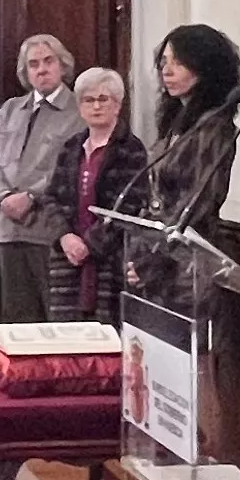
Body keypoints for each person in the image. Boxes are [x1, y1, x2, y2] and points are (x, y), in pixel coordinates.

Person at [128, 22, 240, 312]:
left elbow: (195, 206)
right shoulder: (178, 123)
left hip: (186, 269)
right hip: (158, 260)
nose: (166, 71)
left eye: (178, 63)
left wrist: (150, 260)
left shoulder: (214, 129)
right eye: (164, 62)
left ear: (205, 68)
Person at [0, 32, 86, 324]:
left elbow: (72, 165)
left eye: (48, 61)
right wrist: (2, 196)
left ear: (63, 65)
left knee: (54, 317)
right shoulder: (11, 109)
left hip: (50, 228)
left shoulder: (79, 112)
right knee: (16, 317)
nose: (41, 69)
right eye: (33, 64)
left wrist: (31, 196)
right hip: (8, 226)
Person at [49, 64, 149, 322]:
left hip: (110, 259)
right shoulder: (71, 147)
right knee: (68, 342)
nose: (96, 106)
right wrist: (65, 237)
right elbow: (52, 198)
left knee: (107, 339)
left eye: (103, 99)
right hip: (68, 258)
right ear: (80, 107)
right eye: (88, 100)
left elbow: (129, 205)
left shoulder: (131, 149)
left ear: (117, 104)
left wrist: (89, 245)